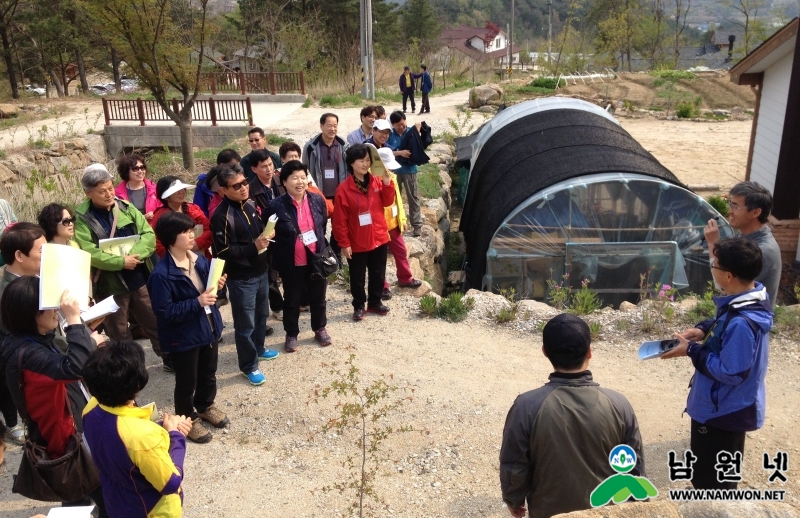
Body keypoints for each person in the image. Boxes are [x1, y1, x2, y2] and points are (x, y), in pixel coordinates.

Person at [499, 313, 645, 518]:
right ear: (589, 352)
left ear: (544, 351)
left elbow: (514, 464)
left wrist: (514, 500)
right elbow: (634, 468)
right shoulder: (619, 404)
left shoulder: (526, 406)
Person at [664, 238, 772, 490]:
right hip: (730, 406)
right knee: (723, 476)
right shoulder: (747, 299)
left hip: (721, 412)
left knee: (710, 484)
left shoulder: (741, 322)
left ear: (729, 275)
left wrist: (690, 350)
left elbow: (731, 372)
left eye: (715, 265)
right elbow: (724, 323)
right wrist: (704, 329)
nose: (712, 268)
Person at [0, 278, 108, 516]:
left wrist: (83, 331)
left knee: (78, 495)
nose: (55, 310)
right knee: (96, 496)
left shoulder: (25, 341)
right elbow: (75, 367)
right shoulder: (27, 354)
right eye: (48, 306)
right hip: (63, 440)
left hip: (62, 433)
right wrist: (74, 323)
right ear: (30, 314)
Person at [74, 164, 169, 371]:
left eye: (110, 188)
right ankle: (129, 369)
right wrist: (120, 262)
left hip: (138, 277)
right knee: (118, 330)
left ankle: (168, 358)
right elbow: (88, 251)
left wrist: (135, 255)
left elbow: (148, 235)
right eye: (102, 191)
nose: (109, 194)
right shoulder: (82, 218)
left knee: (153, 319)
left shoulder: (124, 206)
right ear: (88, 193)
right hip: (110, 284)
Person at [82, 340, 191, 518]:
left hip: (117, 500)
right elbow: (171, 482)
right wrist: (176, 436)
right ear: (137, 385)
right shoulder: (140, 436)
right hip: (150, 510)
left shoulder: (90, 408)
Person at [148, 212, 228, 444]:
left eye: (191, 229)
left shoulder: (199, 260)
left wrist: (218, 287)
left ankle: (204, 406)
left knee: (208, 372)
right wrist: (198, 302)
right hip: (183, 337)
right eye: (185, 232)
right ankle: (186, 418)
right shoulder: (161, 275)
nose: (192, 235)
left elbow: (210, 295)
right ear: (171, 238)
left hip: (208, 328)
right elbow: (164, 312)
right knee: (186, 382)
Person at [210, 167, 279, 386]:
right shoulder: (221, 216)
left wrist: (267, 233)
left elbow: (257, 234)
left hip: (261, 271)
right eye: (236, 185)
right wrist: (254, 246)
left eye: (245, 182)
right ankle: (248, 366)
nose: (243, 188)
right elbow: (222, 251)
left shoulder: (249, 205)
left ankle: (259, 349)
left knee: (261, 316)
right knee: (245, 324)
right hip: (241, 279)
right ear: (223, 190)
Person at [264, 161, 331, 352]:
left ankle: (320, 328)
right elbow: (269, 231)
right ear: (284, 181)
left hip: (316, 258)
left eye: (303, 177)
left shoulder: (317, 200)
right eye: (294, 177)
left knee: (319, 297)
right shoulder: (275, 205)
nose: (300, 182)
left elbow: (322, 226)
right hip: (291, 262)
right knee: (292, 299)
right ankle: (291, 333)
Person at [333, 144, 395, 321]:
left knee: (378, 272)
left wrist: (386, 183)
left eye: (368, 160)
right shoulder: (344, 189)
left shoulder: (375, 180)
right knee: (357, 276)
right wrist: (344, 243)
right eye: (361, 160)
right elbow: (339, 221)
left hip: (379, 236)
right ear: (351, 163)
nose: (365, 164)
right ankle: (359, 305)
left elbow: (387, 202)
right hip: (358, 240)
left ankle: (375, 302)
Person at [0, 222, 47, 446]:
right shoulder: (8, 295)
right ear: (19, 255)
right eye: (41, 251)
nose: (47, 256)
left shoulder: (37, 279)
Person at [704, 181, 781, 308]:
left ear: (755, 213)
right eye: (730, 204)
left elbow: (722, 284)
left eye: (736, 206)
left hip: (747, 322)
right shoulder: (744, 235)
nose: (730, 211)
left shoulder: (763, 251)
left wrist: (713, 243)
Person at [374, 147, 422, 300]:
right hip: (378, 225)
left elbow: (398, 202)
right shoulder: (372, 180)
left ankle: (405, 278)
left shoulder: (392, 177)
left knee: (401, 251)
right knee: (379, 257)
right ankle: (382, 286)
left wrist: (402, 219)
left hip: (393, 223)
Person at [303, 113, 349, 262]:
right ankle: (322, 257)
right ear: (321, 126)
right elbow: (306, 171)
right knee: (319, 227)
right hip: (318, 195)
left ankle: (336, 257)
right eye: (329, 125)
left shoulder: (343, 146)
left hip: (338, 195)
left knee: (339, 228)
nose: (332, 129)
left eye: (335, 125)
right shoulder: (311, 147)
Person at [249, 148, 286, 320]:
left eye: (270, 164)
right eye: (263, 166)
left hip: (286, 234)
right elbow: (252, 217)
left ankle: (294, 301)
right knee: (270, 273)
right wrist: (267, 231)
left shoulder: (281, 181)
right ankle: (278, 307)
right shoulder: (250, 190)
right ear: (254, 169)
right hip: (266, 237)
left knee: (289, 270)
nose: (269, 169)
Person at [151, 176, 212, 259]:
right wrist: (175, 255)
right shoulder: (160, 216)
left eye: (183, 189)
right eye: (176, 190)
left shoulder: (194, 209)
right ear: (166, 196)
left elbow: (209, 229)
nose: (181, 192)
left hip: (201, 256)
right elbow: (157, 242)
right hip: (175, 261)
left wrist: (197, 244)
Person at [388, 111, 423, 237]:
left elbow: (421, 145)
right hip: (393, 172)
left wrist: (418, 130)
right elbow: (386, 151)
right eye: (398, 125)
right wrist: (400, 153)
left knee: (413, 197)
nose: (402, 127)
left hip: (410, 170)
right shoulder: (389, 135)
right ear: (393, 124)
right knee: (393, 199)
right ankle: (396, 225)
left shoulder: (412, 132)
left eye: (403, 124)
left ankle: (417, 225)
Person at [194, 149, 241, 217]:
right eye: (233, 165)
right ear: (222, 165)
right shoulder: (204, 182)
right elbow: (199, 208)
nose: (235, 169)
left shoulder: (239, 179)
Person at [114, 154, 158, 221]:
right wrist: (142, 218)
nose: (140, 171)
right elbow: (119, 217)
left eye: (142, 167)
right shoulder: (117, 194)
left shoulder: (154, 188)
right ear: (126, 171)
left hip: (154, 228)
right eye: (135, 168)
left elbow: (162, 209)